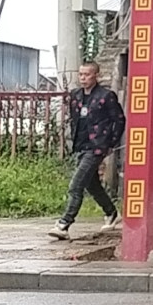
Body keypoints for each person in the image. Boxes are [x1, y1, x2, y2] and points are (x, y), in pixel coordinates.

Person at [49, 62, 124, 240]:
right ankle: (111, 212)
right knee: (92, 184)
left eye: (87, 74)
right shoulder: (75, 95)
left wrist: (110, 143)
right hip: (81, 145)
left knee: (76, 185)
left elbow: (119, 120)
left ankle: (64, 223)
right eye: (81, 74)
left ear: (96, 75)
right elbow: (75, 120)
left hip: (97, 147)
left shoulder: (106, 96)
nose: (83, 78)